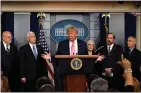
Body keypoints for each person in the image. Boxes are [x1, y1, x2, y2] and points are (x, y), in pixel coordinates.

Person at [56, 26, 88, 91]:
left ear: (76, 34)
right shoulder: (62, 44)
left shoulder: (83, 44)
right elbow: (57, 57)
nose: (70, 35)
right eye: (68, 33)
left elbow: (86, 57)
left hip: (79, 70)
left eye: (71, 33)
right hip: (66, 70)